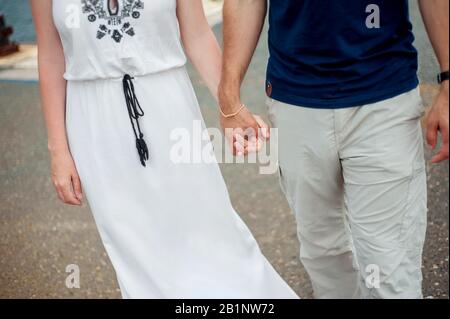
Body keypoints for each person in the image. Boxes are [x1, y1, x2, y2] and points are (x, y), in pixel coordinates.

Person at [30, 0, 298, 299]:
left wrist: (231, 107)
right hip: (93, 123)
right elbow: (51, 55)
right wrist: (59, 151)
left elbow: (196, 34)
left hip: (169, 106)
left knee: (210, 228)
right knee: (136, 248)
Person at [219, 0, 449, 298]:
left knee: (390, 267)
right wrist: (228, 97)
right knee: (324, 256)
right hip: (295, 99)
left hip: (383, 94)